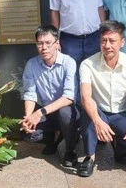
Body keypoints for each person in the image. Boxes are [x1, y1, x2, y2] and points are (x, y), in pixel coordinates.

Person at [77, 21, 126, 178]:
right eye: (103, 40)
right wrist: (99, 122)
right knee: (88, 112)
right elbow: (85, 97)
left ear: (122, 42)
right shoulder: (87, 64)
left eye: (112, 41)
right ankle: (90, 157)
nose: (107, 45)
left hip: (122, 113)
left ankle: (118, 147)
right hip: (99, 111)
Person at [21, 24, 78, 168]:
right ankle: (53, 139)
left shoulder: (68, 62)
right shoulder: (32, 64)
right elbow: (30, 94)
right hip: (48, 111)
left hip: (68, 110)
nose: (44, 48)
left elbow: (69, 97)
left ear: (57, 44)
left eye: (48, 43)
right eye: (40, 43)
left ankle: (70, 150)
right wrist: (29, 117)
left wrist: (39, 112)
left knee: (65, 114)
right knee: (28, 133)